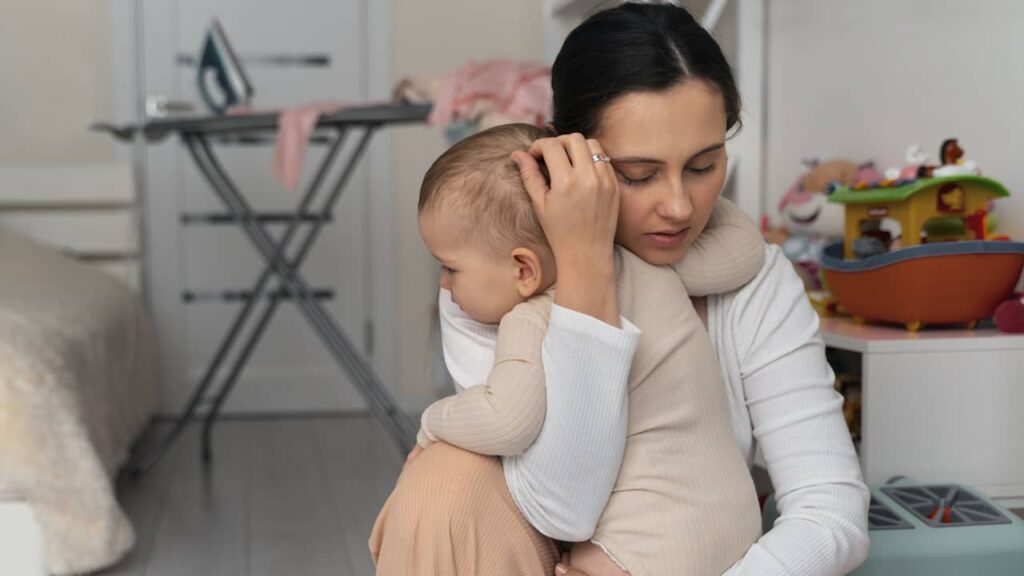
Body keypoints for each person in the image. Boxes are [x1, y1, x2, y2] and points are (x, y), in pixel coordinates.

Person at [372, 3, 869, 575]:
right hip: (531, 545)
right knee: (442, 483)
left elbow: (831, 511)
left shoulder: (753, 282)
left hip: (693, 559)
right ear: (564, 156)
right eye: (638, 174)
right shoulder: (494, 280)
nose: (680, 207)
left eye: (705, 165)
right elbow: (563, 510)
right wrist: (585, 271)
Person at [372, 122, 767, 575]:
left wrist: (432, 422)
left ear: (524, 270)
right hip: (734, 517)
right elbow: (744, 251)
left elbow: (508, 420)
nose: (443, 285)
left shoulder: (530, 318)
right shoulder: (645, 259)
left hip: (644, 548)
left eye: (449, 268)